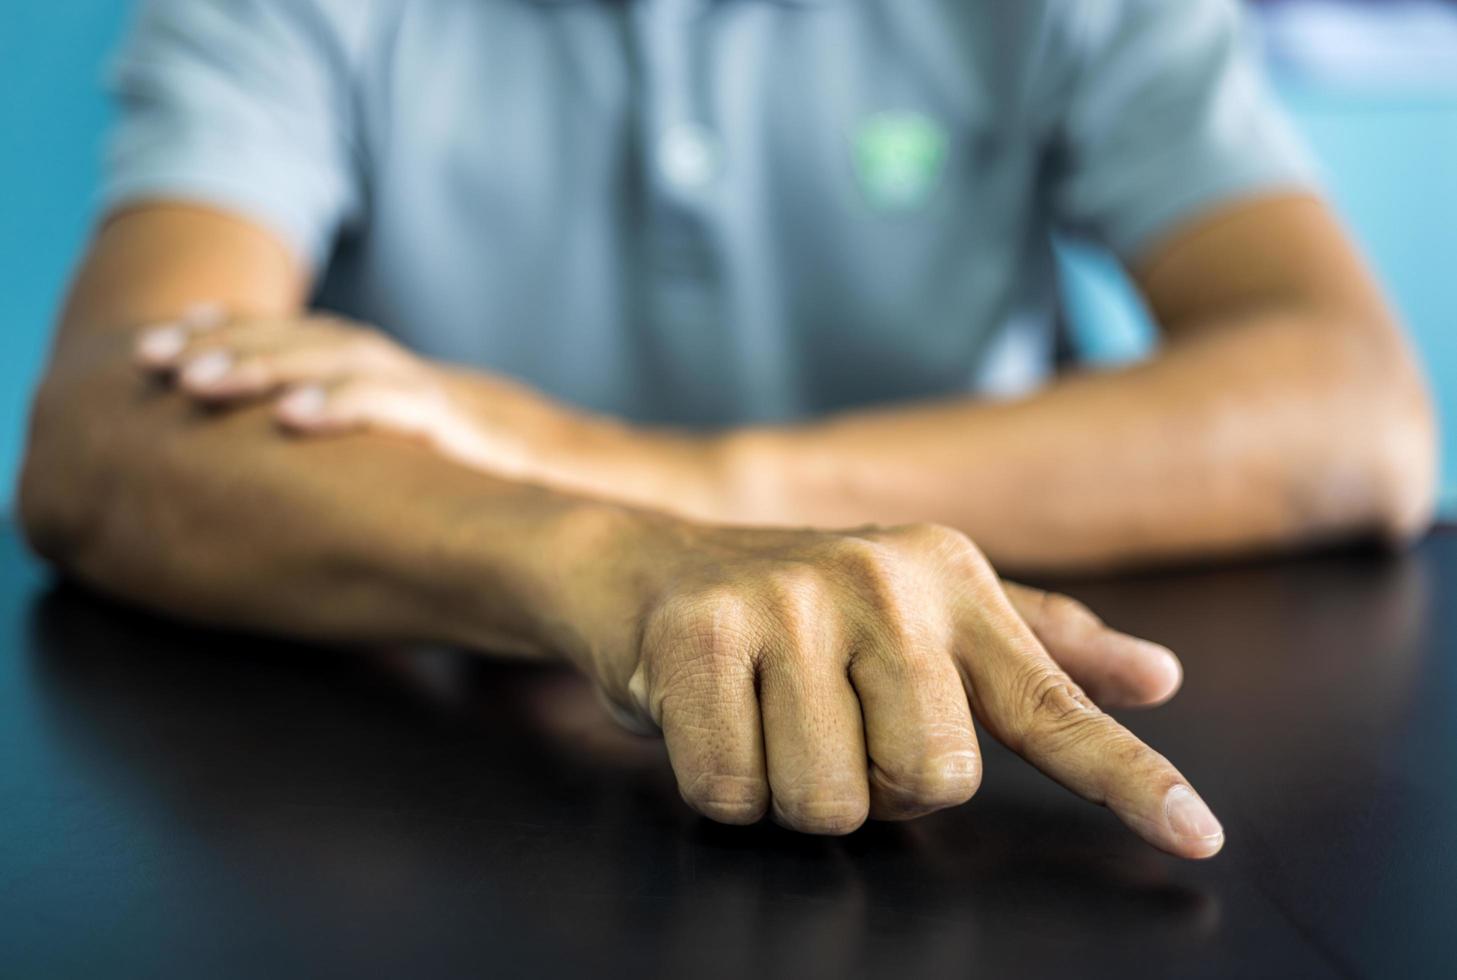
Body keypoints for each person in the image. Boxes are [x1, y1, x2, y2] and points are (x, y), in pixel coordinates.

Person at [18, 0, 1436, 860]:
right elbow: (101, 436)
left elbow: (1354, 410)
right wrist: (609, 562)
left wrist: (647, 478)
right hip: (439, 801)